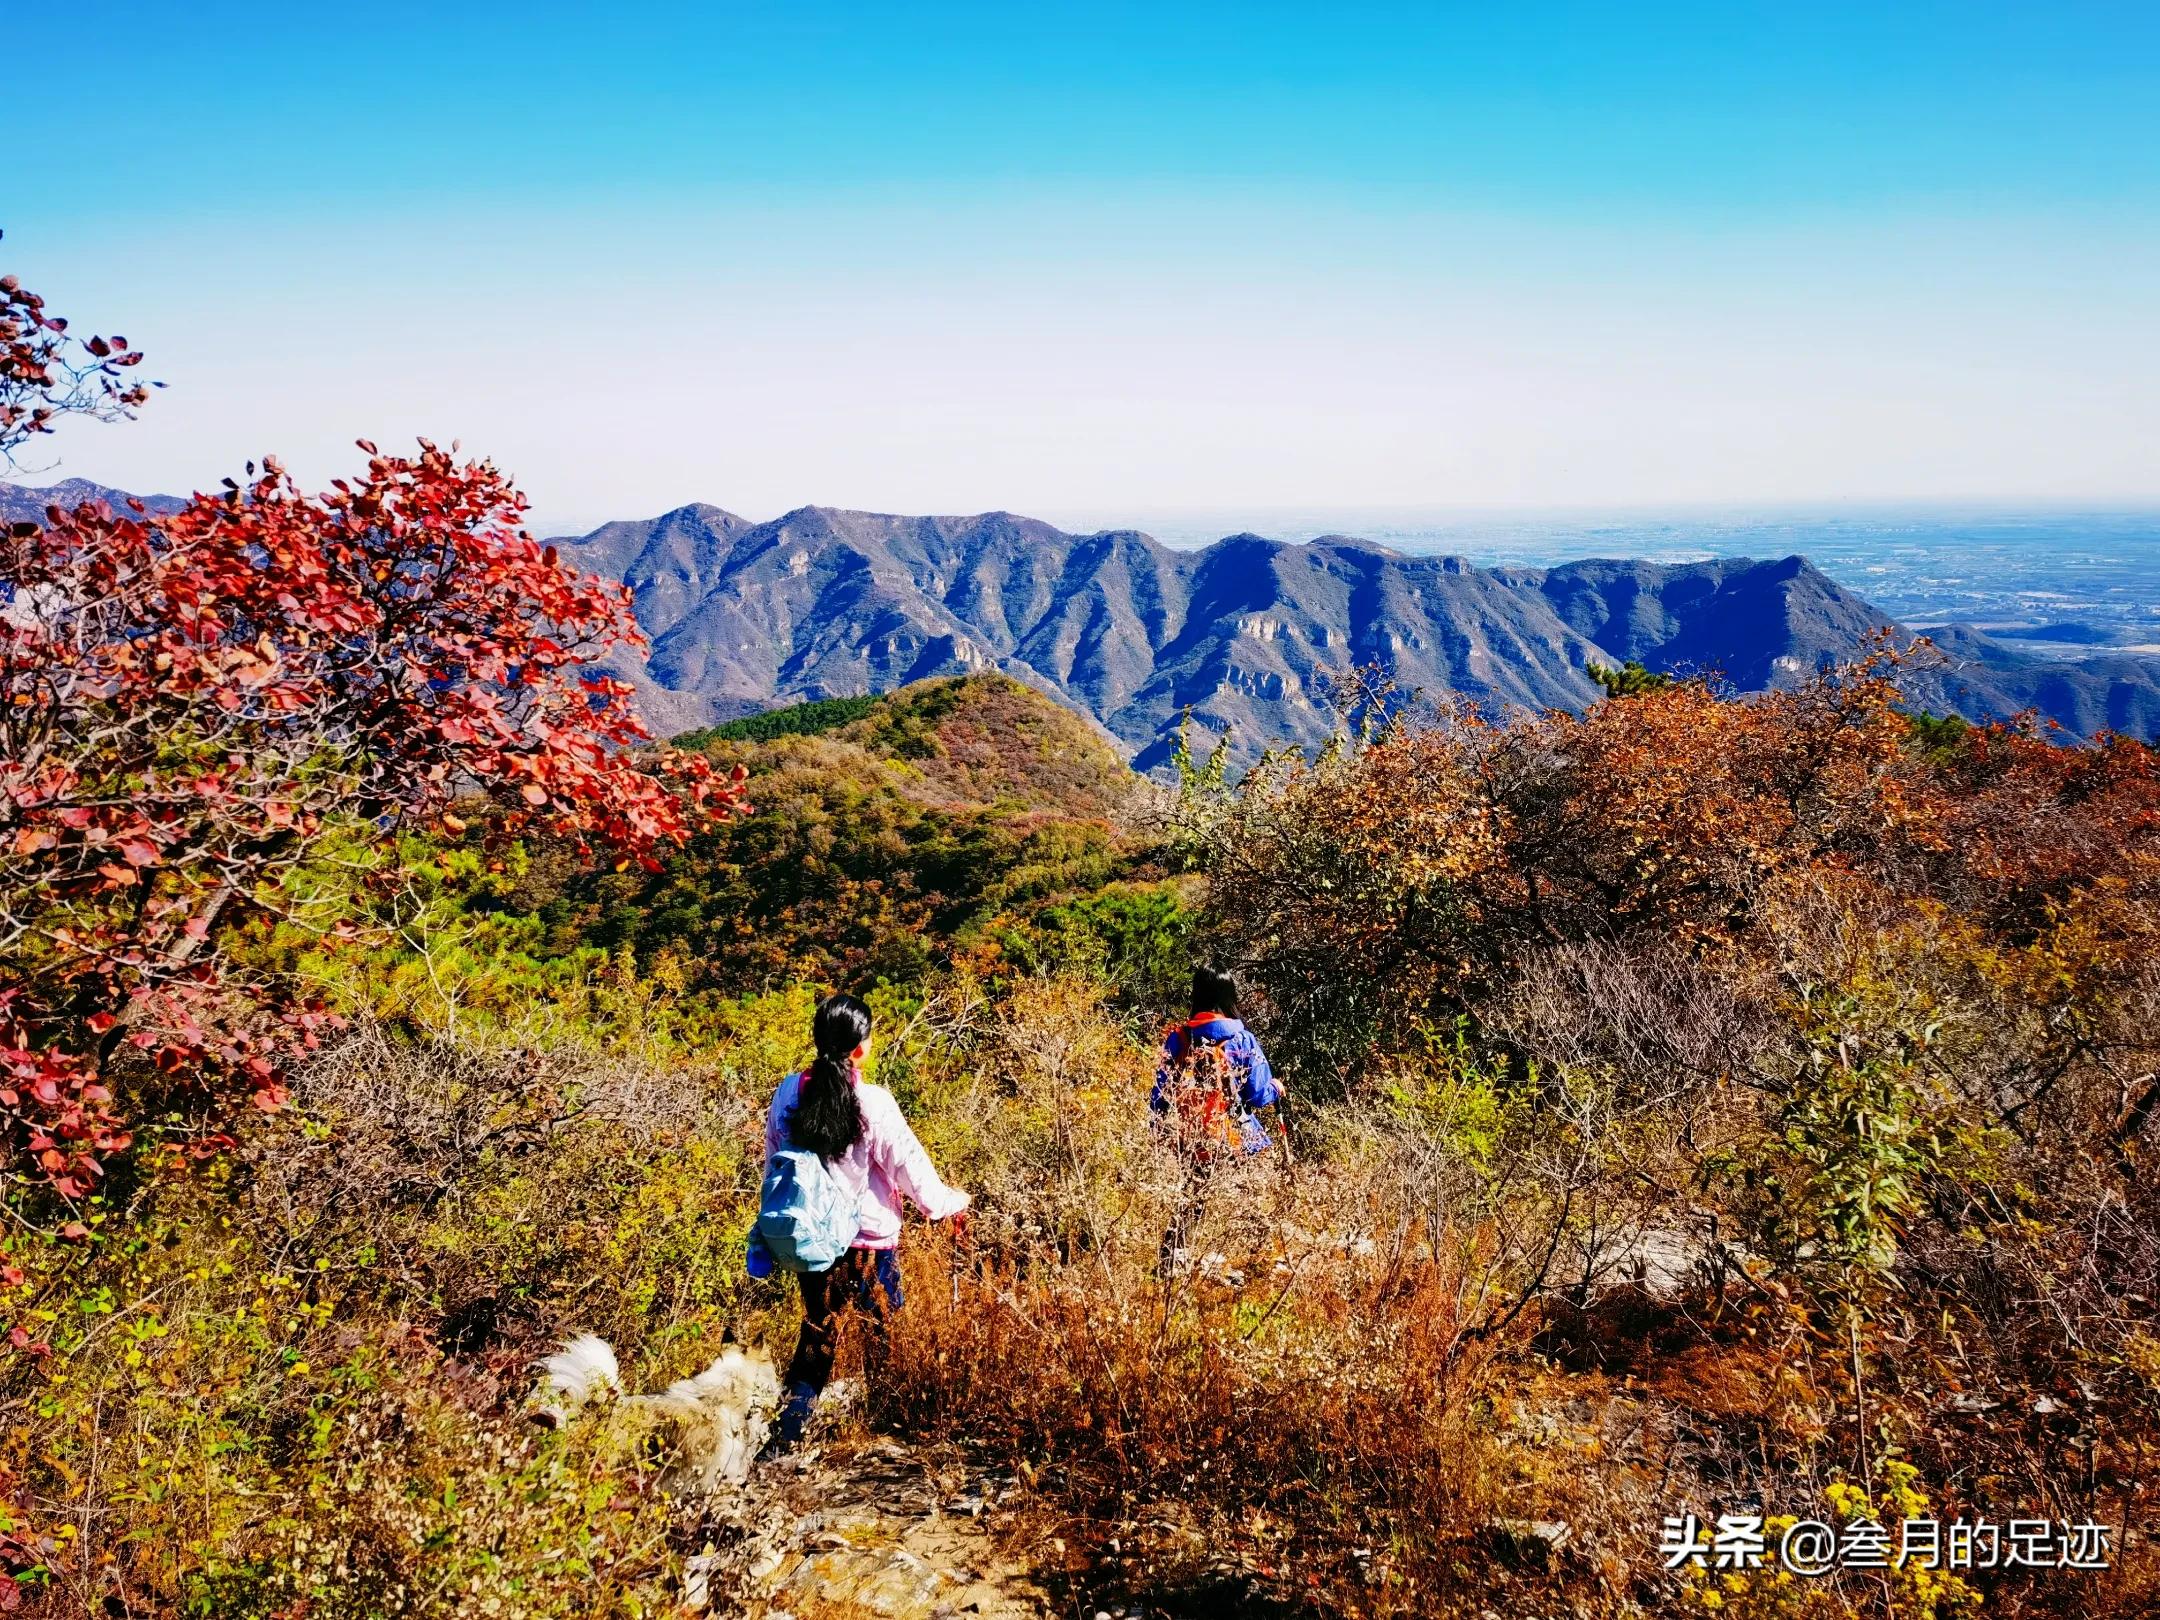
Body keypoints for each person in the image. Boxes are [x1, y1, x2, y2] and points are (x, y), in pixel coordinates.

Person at [751, 991, 970, 1449]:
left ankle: (784, 1440)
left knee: (818, 1337)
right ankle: (888, 1436)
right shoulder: (873, 1102)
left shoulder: (790, 1091)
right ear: (858, 1048)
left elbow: (775, 1164)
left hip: (812, 1243)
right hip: (870, 1245)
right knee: (885, 1337)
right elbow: (909, 1168)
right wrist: (947, 1203)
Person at [1152, 966, 1282, 1268]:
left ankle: (1170, 1260)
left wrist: (1159, 1133)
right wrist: (1275, 1088)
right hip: (1236, 1135)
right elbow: (1257, 1095)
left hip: (1192, 1135)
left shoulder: (1179, 1039)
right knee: (1254, 1194)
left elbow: (1160, 1096)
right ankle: (1262, 1261)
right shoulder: (1242, 1039)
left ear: (1196, 994)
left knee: (1192, 1198)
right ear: (1228, 996)